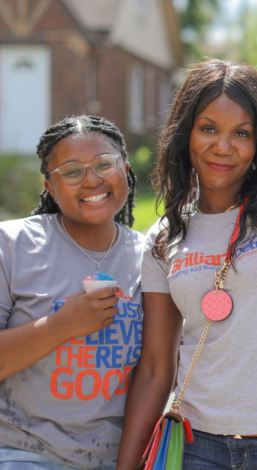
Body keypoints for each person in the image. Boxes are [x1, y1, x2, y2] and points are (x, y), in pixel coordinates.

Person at [116, 59, 257, 470]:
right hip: (194, 448)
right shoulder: (164, 237)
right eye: (208, 129)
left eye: (242, 133)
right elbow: (155, 367)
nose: (223, 146)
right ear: (185, 133)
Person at [0, 116, 143, 469]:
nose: (92, 179)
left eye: (103, 164)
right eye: (72, 171)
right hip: (26, 452)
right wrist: (61, 326)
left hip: (119, 457)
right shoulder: (12, 246)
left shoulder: (151, 257)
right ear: (49, 186)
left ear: (125, 168)